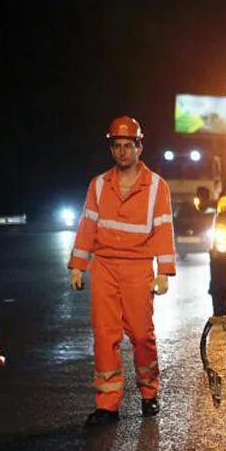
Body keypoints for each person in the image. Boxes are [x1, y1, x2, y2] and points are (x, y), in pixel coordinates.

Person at [68, 116, 176, 425]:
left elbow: (163, 229)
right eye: (116, 146)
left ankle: (149, 393)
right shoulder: (99, 185)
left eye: (128, 145)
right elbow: (87, 226)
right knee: (104, 336)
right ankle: (107, 405)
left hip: (137, 267)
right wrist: (78, 266)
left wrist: (163, 271)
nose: (122, 152)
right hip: (104, 267)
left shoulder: (157, 187)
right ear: (111, 148)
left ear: (139, 147)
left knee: (142, 336)